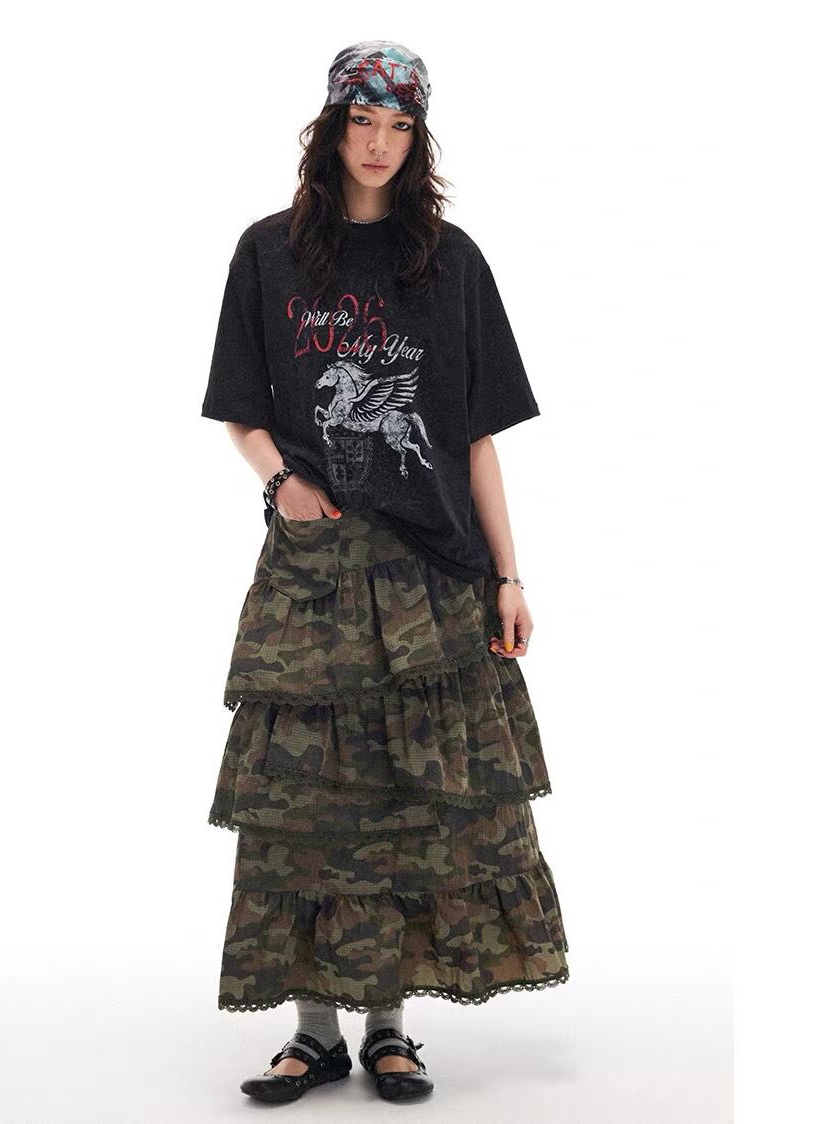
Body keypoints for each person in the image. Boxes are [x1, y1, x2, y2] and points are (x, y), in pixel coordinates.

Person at [200, 40, 570, 1104]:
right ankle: (312, 1034)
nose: (378, 144)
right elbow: (241, 407)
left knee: (415, 800)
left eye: (399, 126)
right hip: (315, 570)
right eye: (361, 122)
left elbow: (476, 438)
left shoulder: (450, 262)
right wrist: (281, 482)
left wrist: (508, 575)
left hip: (430, 571)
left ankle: (391, 1031)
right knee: (307, 803)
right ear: (331, 129)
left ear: (418, 139)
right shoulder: (268, 253)